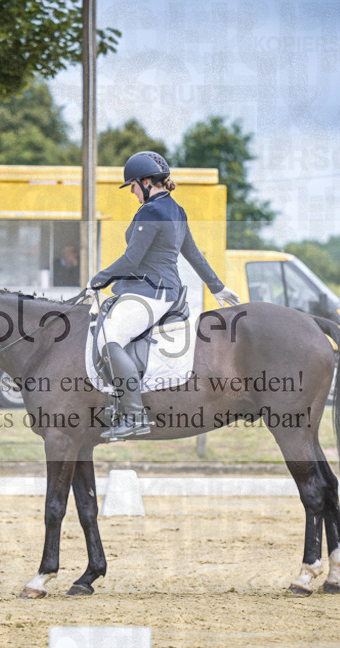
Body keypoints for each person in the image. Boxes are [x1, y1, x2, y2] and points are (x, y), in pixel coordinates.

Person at [87, 150, 240, 440]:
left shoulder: (150, 211)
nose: (131, 191)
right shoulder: (176, 209)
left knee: (109, 338)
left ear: (146, 182)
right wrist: (217, 286)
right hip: (163, 290)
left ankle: (134, 416)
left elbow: (131, 260)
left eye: (133, 185)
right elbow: (193, 254)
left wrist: (97, 280)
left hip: (149, 292)